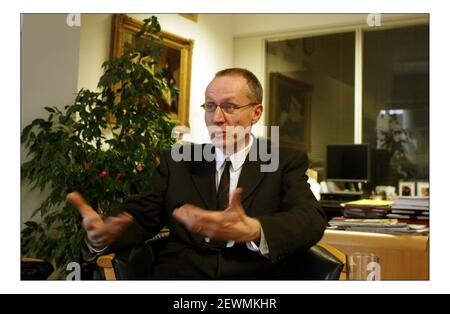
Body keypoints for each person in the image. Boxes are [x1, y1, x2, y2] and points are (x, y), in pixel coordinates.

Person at [67, 68, 327, 279]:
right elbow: (140, 217)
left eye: (230, 106)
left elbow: (310, 218)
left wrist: (254, 230)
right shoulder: (178, 162)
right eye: (210, 106)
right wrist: (100, 236)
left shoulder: (283, 162)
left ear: (256, 113)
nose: (217, 118)